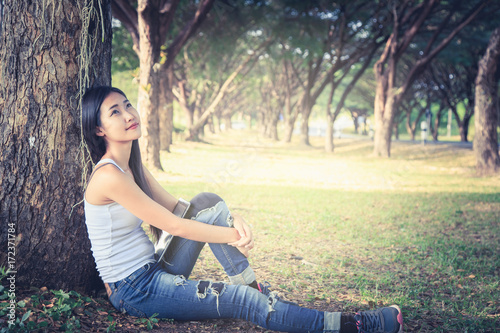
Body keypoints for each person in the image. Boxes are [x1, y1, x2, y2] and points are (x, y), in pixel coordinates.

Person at [81, 86, 404, 333]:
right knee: (243, 302)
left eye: (127, 105)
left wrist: (230, 218)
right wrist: (232, 234)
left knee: (207, 200)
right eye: (114, 112)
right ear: (99, 129)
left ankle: (253, 287)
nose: (128, 114)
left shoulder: (129, 167)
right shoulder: (109, 175)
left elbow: (181, 208)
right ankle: (355, 325)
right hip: (136, 290)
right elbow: (175, 225)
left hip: (153, 269)